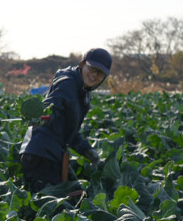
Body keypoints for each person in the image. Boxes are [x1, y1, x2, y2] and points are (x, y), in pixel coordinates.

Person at [18, 48, 112, 193]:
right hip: (41, 155)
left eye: (100, 73)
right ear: (82, 65)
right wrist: (42, 116)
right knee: (47, 205)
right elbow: (53, 105)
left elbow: (69, 131)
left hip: (52, 153)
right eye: (92, 69)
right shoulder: (67, 83)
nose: (94, 75)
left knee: (66, 197)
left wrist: (87, 151)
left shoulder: (83, 91)